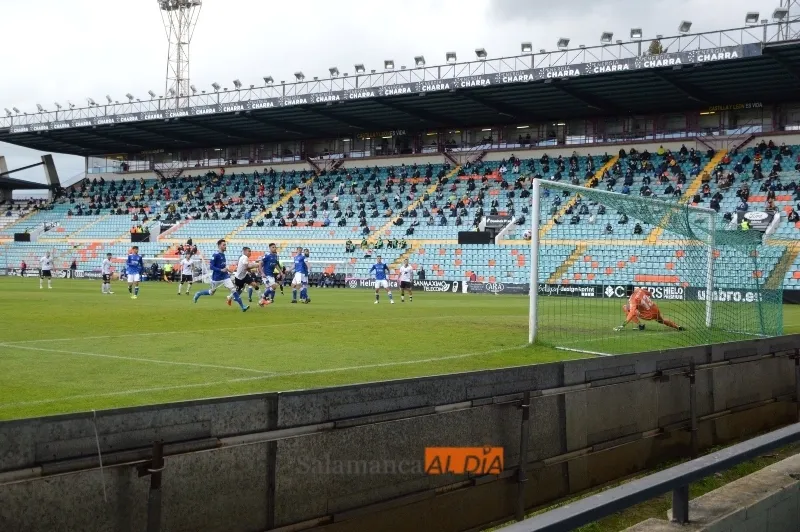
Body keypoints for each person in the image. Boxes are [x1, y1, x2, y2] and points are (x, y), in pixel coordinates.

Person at [193, 239, 248, 311]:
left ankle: (242, 307)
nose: (225, 246)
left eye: (225, 245)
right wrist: (220, 270)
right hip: (216, 278)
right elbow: (211, 267)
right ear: (219, 246)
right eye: (224, 245)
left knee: (233, 290)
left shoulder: (223, 255)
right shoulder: (215, 255)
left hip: (225, 276)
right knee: (211, 292)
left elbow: (223, 266)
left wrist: (228, 270)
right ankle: (199, 293)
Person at [614, 287, 683, 332]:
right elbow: (650, 294)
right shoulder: (639, 290)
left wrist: (623, 325)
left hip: (648, 316)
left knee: (625, 307)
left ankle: (640, 325)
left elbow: (632, 313)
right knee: (662, 320)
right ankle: (678, 327)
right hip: (655, 309)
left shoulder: (632, 299)